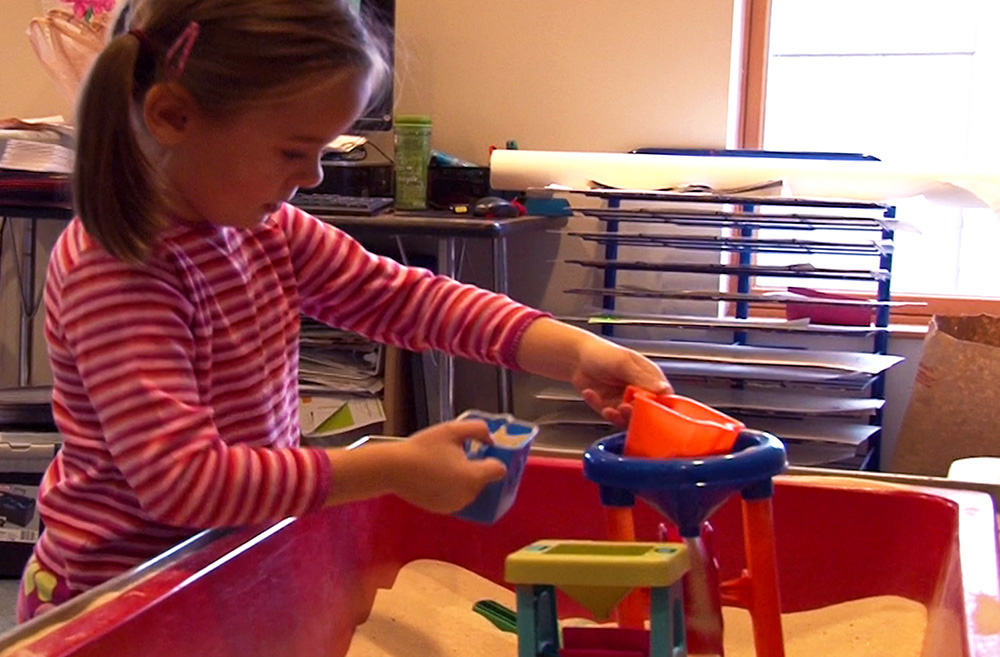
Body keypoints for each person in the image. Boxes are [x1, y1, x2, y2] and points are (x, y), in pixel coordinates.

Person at [17, 0, 672, 623]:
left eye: (322, 153)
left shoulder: (268, 229)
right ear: (173, 116)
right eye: (291, 151)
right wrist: (392, 468)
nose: (313, 180)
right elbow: (188, 482)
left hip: (218, 570)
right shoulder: (118, 266)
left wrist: (578, 351)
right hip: (118, 600)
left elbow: (410, 300)